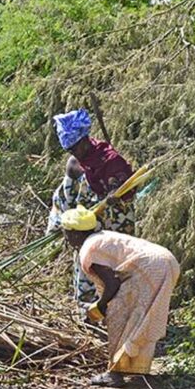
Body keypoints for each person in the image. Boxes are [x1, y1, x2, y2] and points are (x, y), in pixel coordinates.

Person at [60, 205, 180, 387]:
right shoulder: (102, 237)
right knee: (143, 318)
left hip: (151, 267)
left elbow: (112, 284)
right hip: (167, 262)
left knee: (118, 314)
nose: (66, 237)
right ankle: (140, 369)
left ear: (75, 233)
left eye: (66, 233)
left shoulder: (89, 249)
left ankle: (114, 373)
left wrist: (100, 306)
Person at [49, 108, 136, 314]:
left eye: (76, 147)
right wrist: (65, 222)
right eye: (70, 150)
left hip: (112, 225)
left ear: (85, 139)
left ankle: (116, 307)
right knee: (85, 264)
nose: (75, 153)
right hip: (84, 225)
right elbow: (65, 196)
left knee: (113, 267)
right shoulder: (74, 163)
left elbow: (127, 192)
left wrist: (114, 196)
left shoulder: (111, 160)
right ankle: (87, 308)